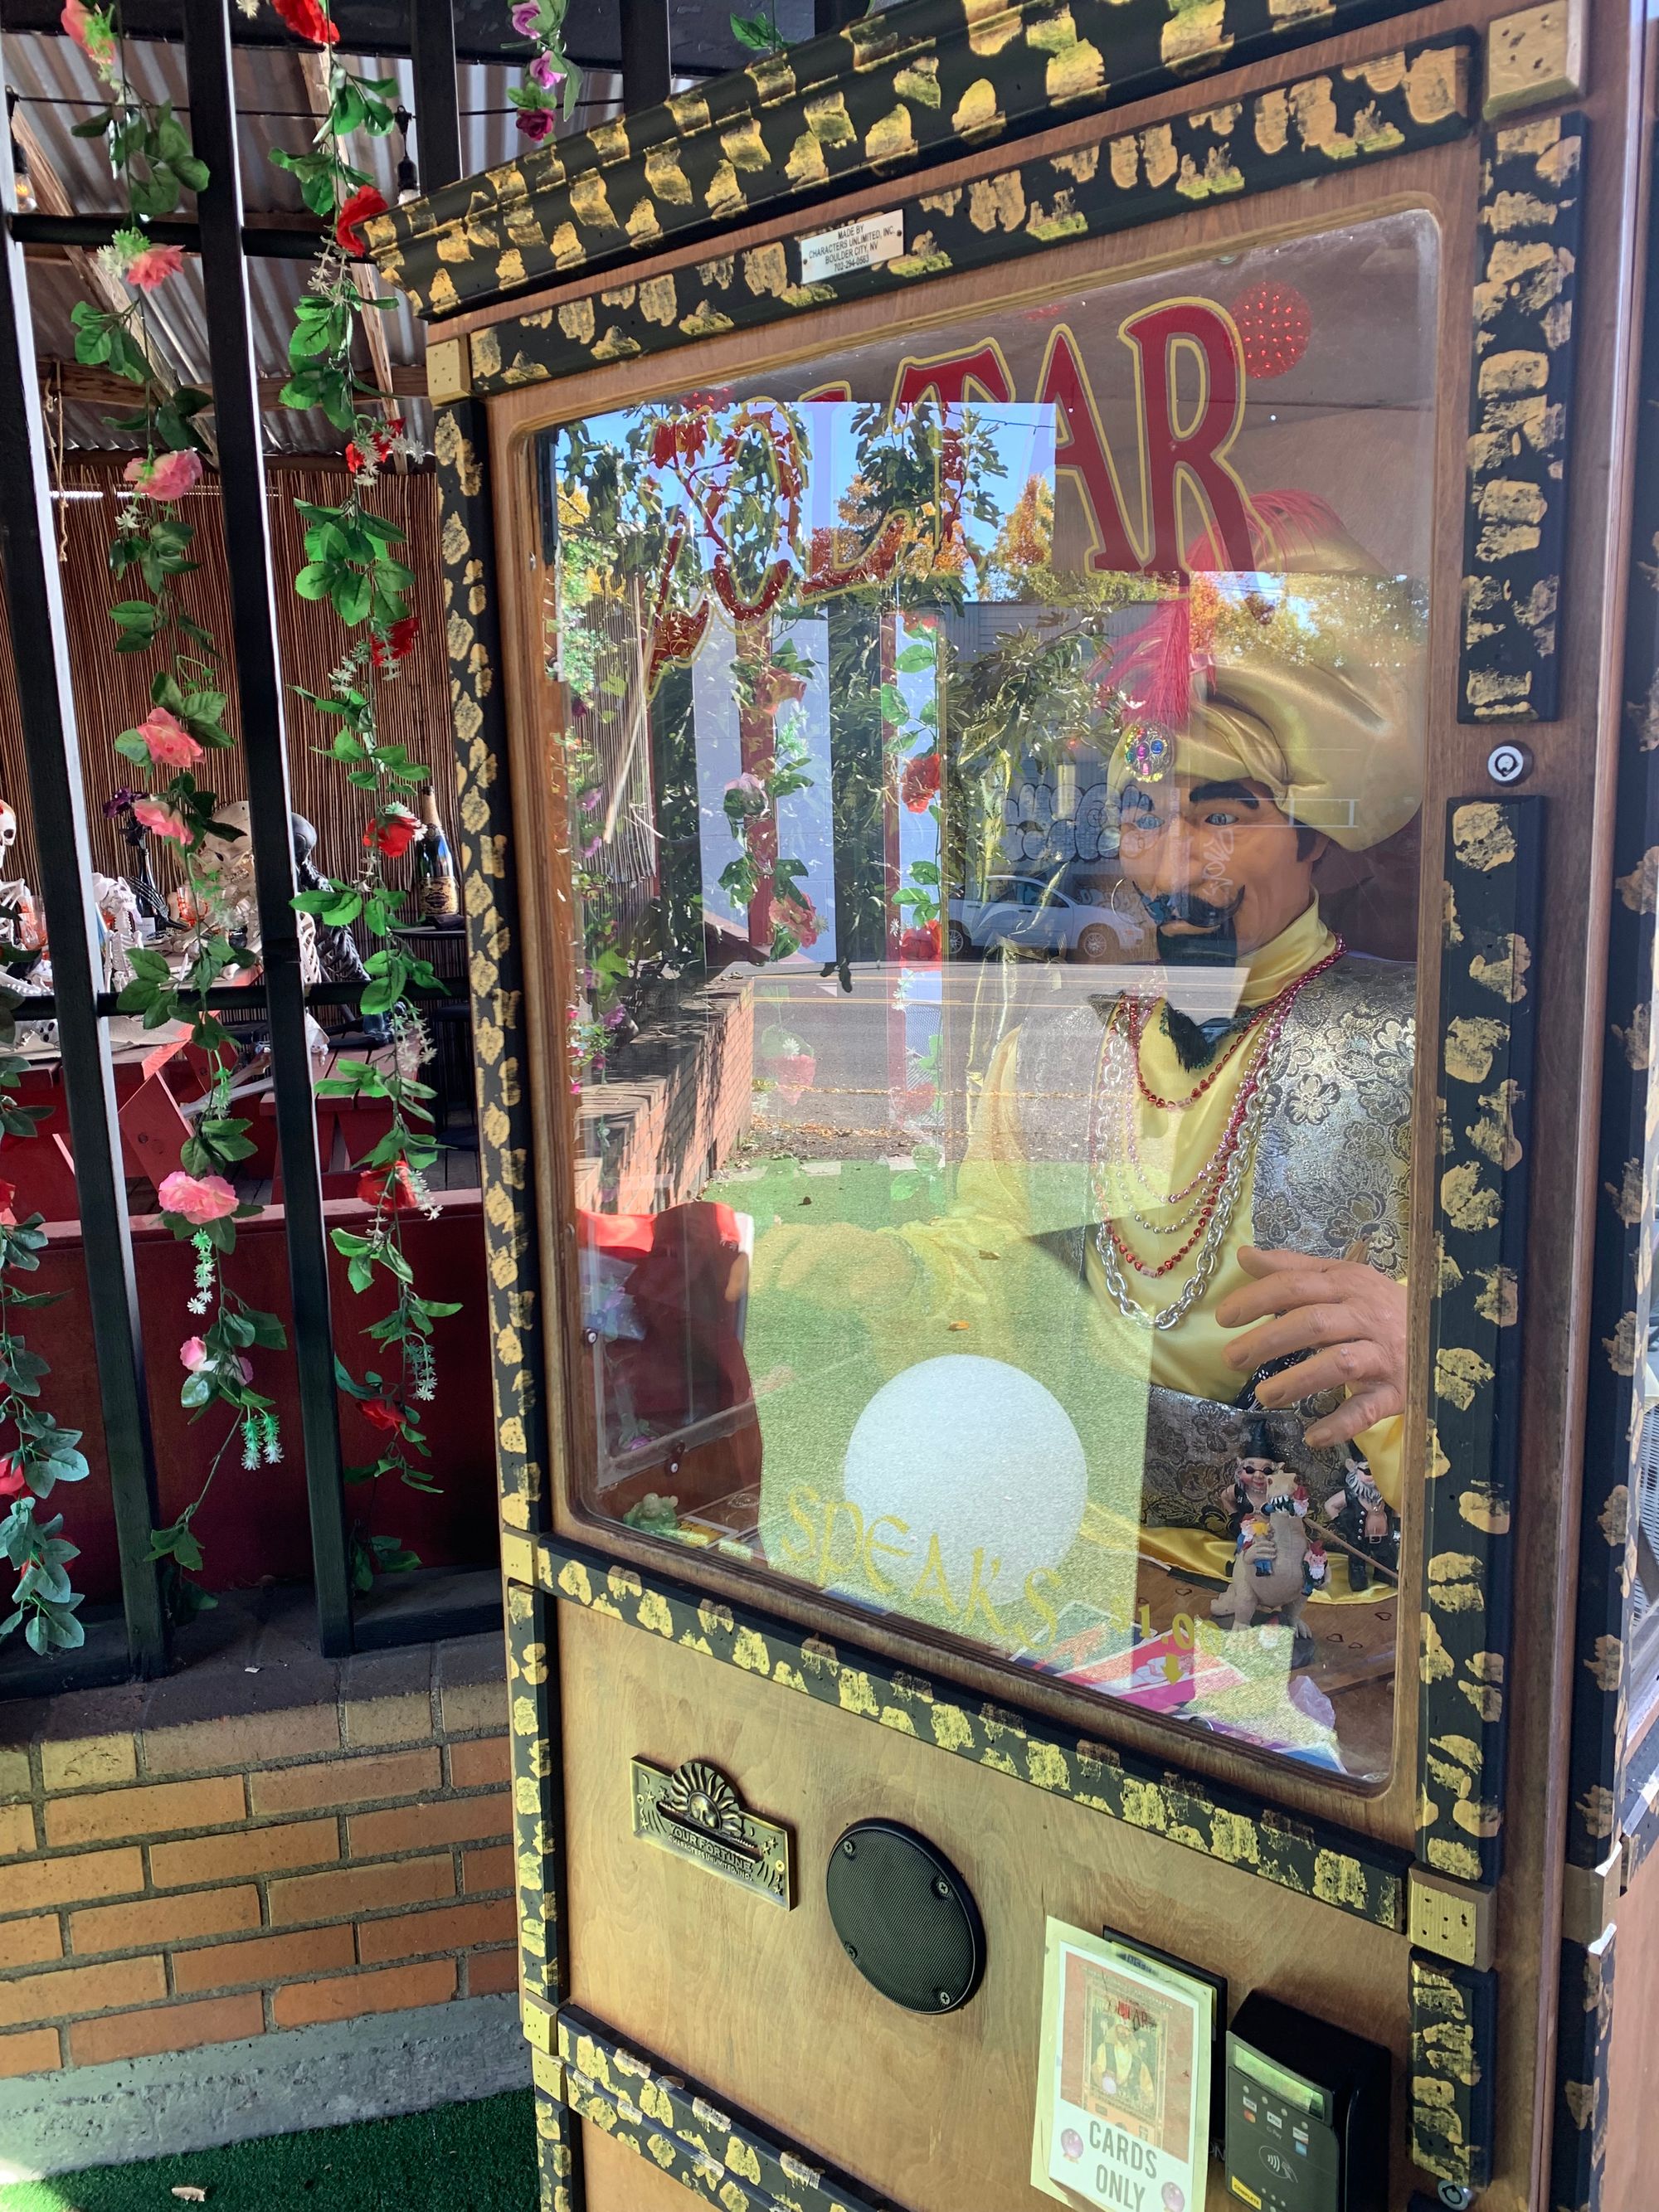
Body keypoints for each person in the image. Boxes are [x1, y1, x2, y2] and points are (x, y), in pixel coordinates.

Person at [751, 495, 1422, 1679]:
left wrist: (1440, 1350)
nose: (1179, 864)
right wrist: (859, 1270)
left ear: (1317, 837)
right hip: (1074, 1554)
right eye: (1146, 819)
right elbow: (997, 1269)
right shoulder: (1060, 1052)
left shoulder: (1423, 1051)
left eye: (1224, 816)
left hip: (1340, 1603)